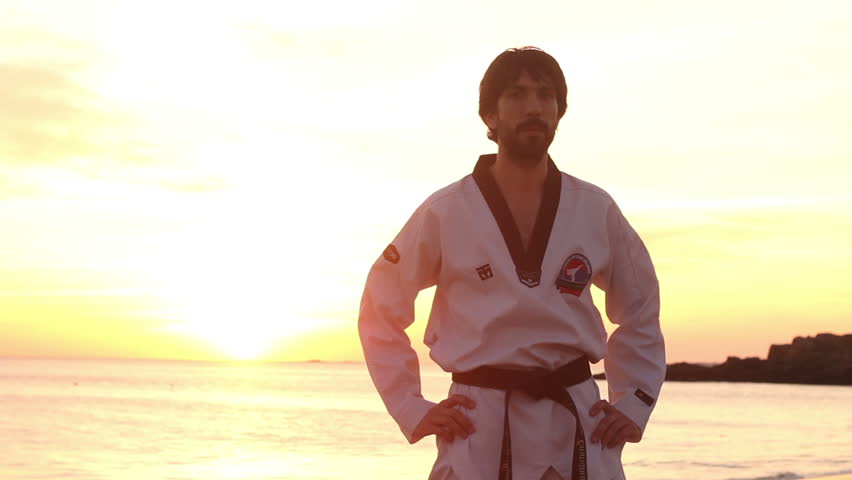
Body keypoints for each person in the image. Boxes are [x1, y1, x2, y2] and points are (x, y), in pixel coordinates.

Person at [358, 47, 665, 480]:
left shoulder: (594, 209)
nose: (534, 107)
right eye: (517, 94)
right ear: (490, 116)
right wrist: (411, 406)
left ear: (560, 112)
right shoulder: (446, 211)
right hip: (478, 421)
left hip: (576, 418)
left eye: (545, 95)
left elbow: (641, 306)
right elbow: (379, 304)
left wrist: (633, 400)